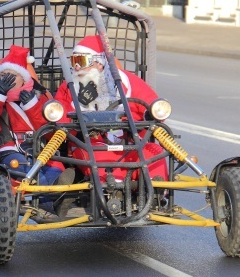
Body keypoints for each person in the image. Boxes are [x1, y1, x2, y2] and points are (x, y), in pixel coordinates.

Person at [54, 34, 168, 214]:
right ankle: (111, 195)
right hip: (89, 141)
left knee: (154, 153)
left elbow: (152, 107)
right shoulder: (70, 87)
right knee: (98, 155)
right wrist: (79, 106)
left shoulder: (127, 83)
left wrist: (148, 115)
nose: (76, 66)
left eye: (81, 60)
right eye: (73, 60)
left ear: (99, 62)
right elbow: (58, 121)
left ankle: (155, 192)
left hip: (129, 142)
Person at [0, 45, 73, 209]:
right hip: (7, 151)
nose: (7, 79)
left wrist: (31, 106)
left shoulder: (39, 100)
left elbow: (49, 133)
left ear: (24, 80)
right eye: (3, 75)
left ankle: (59, 193)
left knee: (54, 168)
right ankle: (51, 206)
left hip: (38, 149)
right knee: (27, 169)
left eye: (12, 75)